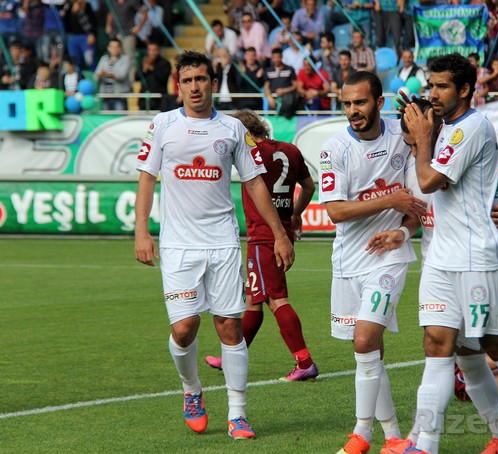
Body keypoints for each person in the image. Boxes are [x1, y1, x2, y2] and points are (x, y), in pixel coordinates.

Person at [398, 53, 498, 454]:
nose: (433, 94)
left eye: (442, 86)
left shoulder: (471, 127)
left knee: (495, 346)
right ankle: (428, 444)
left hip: (477, 258)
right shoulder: (447, 128)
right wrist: (419, 126)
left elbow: (428, 180)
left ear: (465, 89)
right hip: (440, 259)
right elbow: (491, 182)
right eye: (430, 86)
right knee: (440, 346)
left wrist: (421, 139)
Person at [134, 50, 294, 440]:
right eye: (187, 80)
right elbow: (146, 179)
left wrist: (279, 233)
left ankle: (238, 415)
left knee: (229, 327)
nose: (195, 87)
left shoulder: (232, 129)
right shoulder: (162, 125)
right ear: (178, 86)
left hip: (222, 242)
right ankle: (191, 390)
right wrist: (141, 231)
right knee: (184, 328)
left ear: (213, 83)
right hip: (179, 246)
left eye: (201, 79)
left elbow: (254, 182)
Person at [318, 70, 426, 454]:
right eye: (347, 103)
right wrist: (389, 201)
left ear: (379, 102)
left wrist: (403, 232)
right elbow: (335, 211)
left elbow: (417, 205)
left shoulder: (402, 136)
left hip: (390, 257)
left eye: (360, 102)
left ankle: (361, 433)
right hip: (349, 261)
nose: (353, 110)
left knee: (364, 340)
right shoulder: (334, 149)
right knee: (370, 350)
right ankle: (393, 436)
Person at [204, 109, 318, 381]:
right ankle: (230, 356)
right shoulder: (290, 150)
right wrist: (296, 214)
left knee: (277, 299)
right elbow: (309, 187)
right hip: (283, 231)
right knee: (254, 301)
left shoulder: (250, 152)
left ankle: (304, 361)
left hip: (264, 235)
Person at [95, 38, 133, 111]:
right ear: (108, 48)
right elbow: (96, 75)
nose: (114, 49)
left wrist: (107, 74)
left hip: (119, 95)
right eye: (112, 47)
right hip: (105, 95)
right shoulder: (104, 59)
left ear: (120, 48)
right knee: (106, 116)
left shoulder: (125, 59)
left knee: (120, 116)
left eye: (116, 47)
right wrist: (99, 75)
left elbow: (121, 75)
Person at [264, 47, 299, 116]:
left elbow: (295, 85)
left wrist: (284, 90)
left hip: (287, 102)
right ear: (272, 58)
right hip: (273, 102)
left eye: (278, 57)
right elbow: (266, 86)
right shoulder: (268, 70)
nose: (276, 60)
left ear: (282, 57)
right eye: (274, 58)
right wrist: (269, 97)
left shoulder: (290, 69)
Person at [139, 41, 171, 111]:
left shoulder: (165, 63)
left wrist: (152, 68)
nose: (152, 52)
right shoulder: (144, 62)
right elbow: (136, 78)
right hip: (145, 98)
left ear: (158, 50)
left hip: (159, 98)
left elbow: (163, 78)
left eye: (154, 50)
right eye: (150, 50)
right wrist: (144, 69)